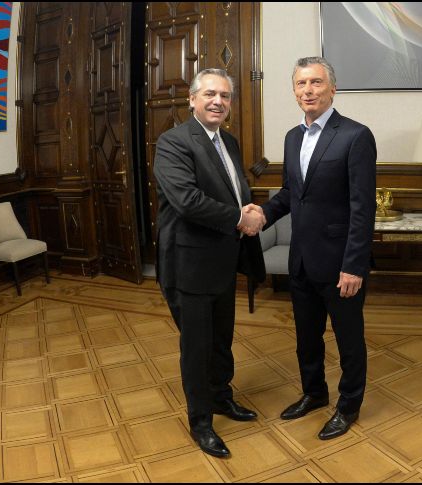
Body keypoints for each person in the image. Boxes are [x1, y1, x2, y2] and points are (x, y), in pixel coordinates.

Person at [260, 57, 376, 440]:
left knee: (348, 341)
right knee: (306, 338)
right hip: (302, 261)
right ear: (293, 90)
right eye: (300, 84)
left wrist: (354, 266)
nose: (307, 90)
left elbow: (363, 208)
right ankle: (314, 394)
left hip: (341, 264)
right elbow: (293, 193)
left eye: (315, 83)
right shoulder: (293, 137)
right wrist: (260, 215)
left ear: (332, 88)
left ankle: (348, 406)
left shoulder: (356, 136)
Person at [154, 68, 266, 458]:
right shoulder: (172, 142)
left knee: (221, 341)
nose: (218, 101)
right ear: (192, 99)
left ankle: (222, 397)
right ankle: (201, 421)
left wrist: (245, 205)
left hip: (221, 262)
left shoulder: (228, 141)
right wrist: (240, 218)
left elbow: (230, 189)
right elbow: (186, 200)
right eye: (210, 94)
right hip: (188, 266)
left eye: (225, 96)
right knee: (197, 348)